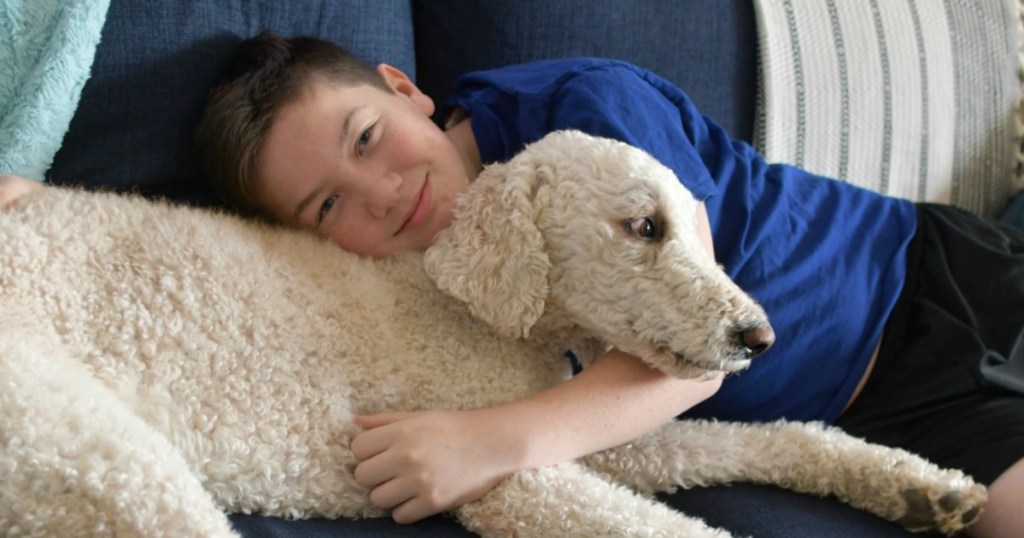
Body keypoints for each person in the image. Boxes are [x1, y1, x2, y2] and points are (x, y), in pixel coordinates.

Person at [4, 31, 1022, 536]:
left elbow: (696, 339)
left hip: (931, 293)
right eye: (326, 208)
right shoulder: (435, 285)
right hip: (893, 416)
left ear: (405, 91)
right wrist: (35, 203)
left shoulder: (580, 117)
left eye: (368, 138)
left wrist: (492, 441)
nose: (382, 190)